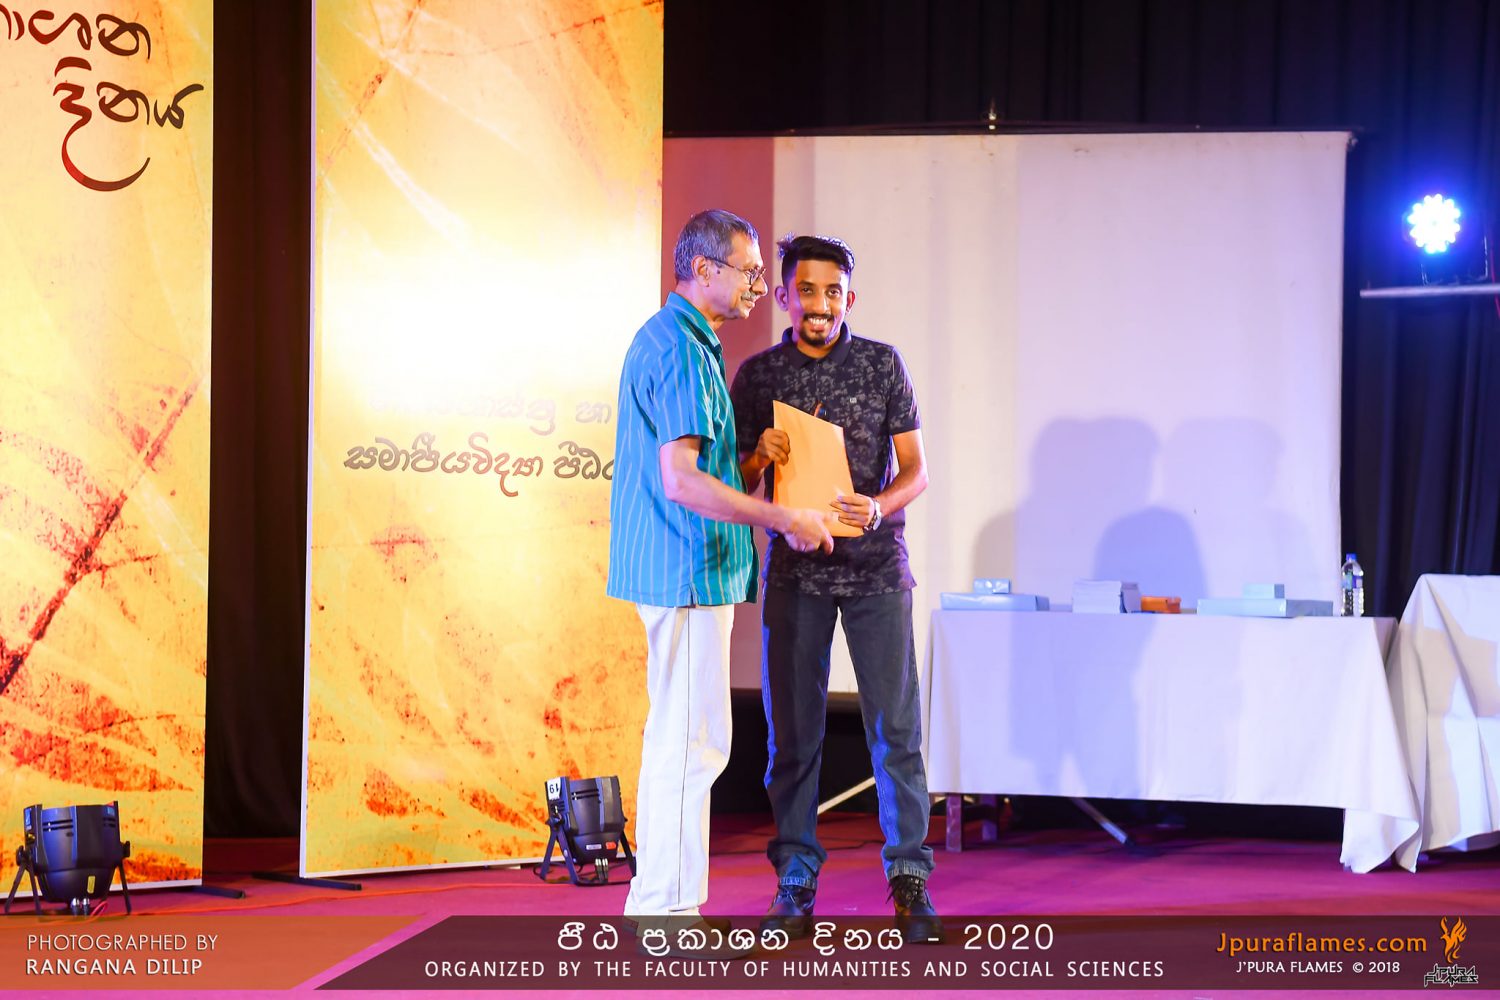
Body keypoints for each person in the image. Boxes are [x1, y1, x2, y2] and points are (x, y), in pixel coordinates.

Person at [606, 210, 835, 932]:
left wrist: (757, 462)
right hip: (684, 569)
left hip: (686, 570)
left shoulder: (685, 341)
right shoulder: (678, 346)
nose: (759, 287)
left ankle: (662, 904)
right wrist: (782, 517)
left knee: (683, 740)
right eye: (750, 272)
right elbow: (681, 481)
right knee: (688, 744)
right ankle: (665, 914)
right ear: (703, 269)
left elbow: (701, 468)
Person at [729, 233, 941, 943]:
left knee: (896, 731)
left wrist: (879, 506)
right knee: (793, 736)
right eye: (806, 291)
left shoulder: (883, 364)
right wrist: (758, 456)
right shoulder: (759, 375)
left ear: (851, 298)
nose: (820, 304)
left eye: (833, 291)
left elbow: (916, 470)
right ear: (784, 296)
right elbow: (735, 484)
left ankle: (908, 877)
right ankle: (795, 878)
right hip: (797, 576)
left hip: (878, 572)